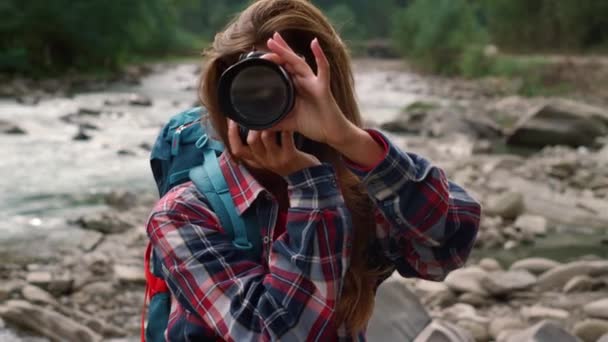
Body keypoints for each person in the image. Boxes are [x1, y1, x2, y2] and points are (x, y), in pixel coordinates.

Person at [146, 0, 481, 340]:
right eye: (249, 86)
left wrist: (350, 139)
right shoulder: (184, 212)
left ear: (325, 88)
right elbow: (280, 334)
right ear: (224, 94)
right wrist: (310, 189)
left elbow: (448, 247)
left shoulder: (362, 193)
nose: (265, 98)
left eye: (285, 82)